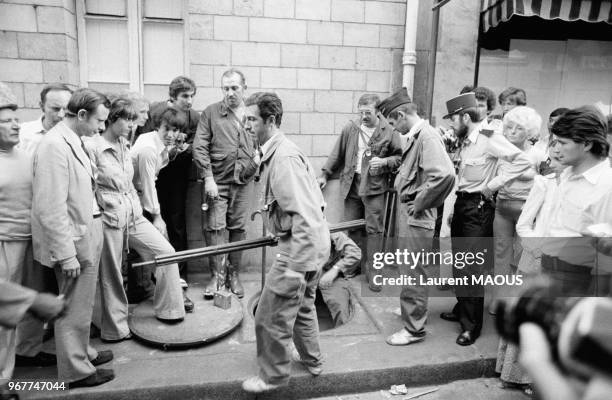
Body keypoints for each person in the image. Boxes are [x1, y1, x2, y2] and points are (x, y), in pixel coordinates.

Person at [240, 92, 330, 393]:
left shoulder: (284, 158)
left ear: (272, 120)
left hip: (300, 247)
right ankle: (314, 361)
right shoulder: (276, 151)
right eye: (246, 118)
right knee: (303, 306)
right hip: (309, 243)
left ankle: (272, 377)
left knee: (269, 314)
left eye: (252, 119)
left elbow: (304, 214)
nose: (247, 125)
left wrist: (296, 267)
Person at [31, 88, 115, 388]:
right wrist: (65, 254)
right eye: (99, 121)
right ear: (81, 115)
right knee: (72, 306)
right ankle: (75, 371)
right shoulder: (54, 145)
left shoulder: (73, 139)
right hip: (74, 239)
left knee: (83, 303)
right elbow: (50, 206)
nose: (102, 128)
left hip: (85, 231)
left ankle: (84, 352)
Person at [88, 98, 188, 342]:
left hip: (132, 211)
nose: (133, 125)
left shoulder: (124, 143)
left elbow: (134, 183)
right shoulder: (93, 146)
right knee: (112, 274)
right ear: (112, 118)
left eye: (135, 120)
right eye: (128, 120)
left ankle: (170, 309)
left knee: (166, 252)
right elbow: (88, 188)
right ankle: (114, 330)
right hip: (109, 215)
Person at [440, 92, 531, 346]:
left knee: (471, 268)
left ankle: (472, 326)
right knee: (460, 264)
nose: (450, 124)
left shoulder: (489, 137)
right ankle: (462, 310)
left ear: (465, 117)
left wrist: (493, 185)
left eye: (453, 119)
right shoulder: (465, 140)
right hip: (462, 204)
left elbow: (522, 161)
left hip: (478, 207)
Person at [378, 90, 455, 346]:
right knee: (407, 268)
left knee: (414, 272)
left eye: (391, 123)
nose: (392, 129)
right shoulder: (418, 136)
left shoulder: (427, 137)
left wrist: (419, 203)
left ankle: (414, 330)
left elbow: (444, 176)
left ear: (400, 115)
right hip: (410, 215)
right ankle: (410, 311)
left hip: (416, 216)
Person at [318, 94, 402, 292]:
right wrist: (324, 174)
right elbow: (336, 153)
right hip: (352, 184)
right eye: (361, 112)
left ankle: (374, 272)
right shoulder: (351, 128)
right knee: (352, 228)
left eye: (368, 113)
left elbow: (399, 157)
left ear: (378, 111)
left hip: (374, 187)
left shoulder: (389, 131)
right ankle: (351, 265)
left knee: (374, 231)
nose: (363, 116)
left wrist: (384, 163)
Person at [193, 69, 258, 299]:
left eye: (235, 88)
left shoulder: (252, 114)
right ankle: (217, 276)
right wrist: (208, 177)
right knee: (215, 228)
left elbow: (264, 141)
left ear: (244, 88)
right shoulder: (211, 113)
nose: (230, 93)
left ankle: (233, 274)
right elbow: (199, 146)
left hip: (243, 182)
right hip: (216, 182)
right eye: (226, 88)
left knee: (238, 228)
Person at [541, 106, 612, 295]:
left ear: (587, 144)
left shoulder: (606, 186)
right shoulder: (566, 173)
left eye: (563, 143)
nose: (556, 149)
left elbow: (606, 260)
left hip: (578, 278)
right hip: (549, 266)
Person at [135, 77, 199, 286]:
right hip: (148, 180)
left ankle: (177, 274)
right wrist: (156, 214)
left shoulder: (193, 117)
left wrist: (177, 152)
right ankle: (149, 280)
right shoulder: (154, 115)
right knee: (150, 226)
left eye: (192, 96)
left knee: (177, 222)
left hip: (175, 176)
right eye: (185, 96)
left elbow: (192, 144)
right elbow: (148, 159)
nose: (189, 101)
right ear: (172, 96)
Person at [130, 106, 194, 311]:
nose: (171, 135)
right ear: (158, 125)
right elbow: (148, 185)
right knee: (163, 248)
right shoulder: (149, 149)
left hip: (136, 199)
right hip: (134, 201)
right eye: (167, 129)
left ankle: (144, 291)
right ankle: (171, 297)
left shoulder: (155, 141)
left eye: (176, 130)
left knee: (143, 251)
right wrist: (158, 217)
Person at [318, 231, 361, 327]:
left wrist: (335, 269)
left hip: (326, 271)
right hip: (300, 273)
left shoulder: (331, 230)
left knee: (340, 307)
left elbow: (355, 253)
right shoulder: (289, 230)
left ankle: (342, 334)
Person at [18, 83, 73, 156]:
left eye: (66, 109)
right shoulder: (22, 133)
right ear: (42, 106)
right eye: (55, 109)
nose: (61, 115)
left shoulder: (78, 137)